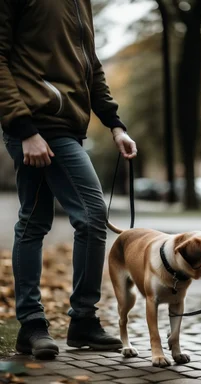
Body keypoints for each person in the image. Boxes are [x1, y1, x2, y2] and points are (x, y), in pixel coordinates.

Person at [0, 1, 137, 360]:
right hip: (35, 123)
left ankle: (34, 328)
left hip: (67, 128)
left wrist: (115, 124)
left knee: (32, 221)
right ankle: (79, 320)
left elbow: (90, 65)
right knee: (92, 215)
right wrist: (24, 128)